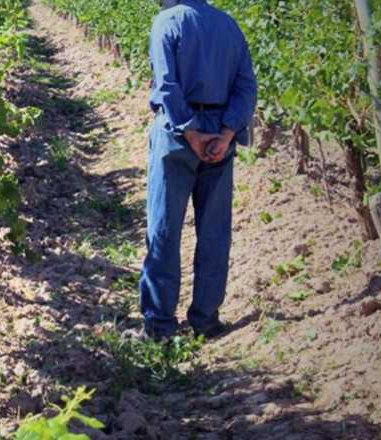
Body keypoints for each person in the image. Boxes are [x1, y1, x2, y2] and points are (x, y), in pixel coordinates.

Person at [134, 0, 257, 341]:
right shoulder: (228, 25)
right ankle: (206, 320)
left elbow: (167, 86)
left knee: (164, 228)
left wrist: (190, 131)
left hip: (177, 139)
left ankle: (159, 325)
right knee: (214, 231)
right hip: (220, 136)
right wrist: (227, 132)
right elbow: (246, 86)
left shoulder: (167, 22)